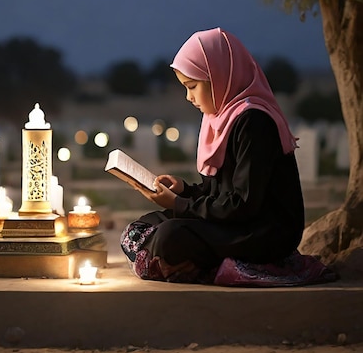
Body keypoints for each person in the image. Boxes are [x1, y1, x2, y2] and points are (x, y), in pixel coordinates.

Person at [120, 27, 335, 286]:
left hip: (261, 231)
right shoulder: (219, 119)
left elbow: (242, 204)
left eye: (192, 86)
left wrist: (179, 205)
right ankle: (187, 264)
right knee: (137, 229)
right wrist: (185, 190)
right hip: (231, 224)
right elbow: (219, 193)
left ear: (219, 77)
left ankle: (188, 264)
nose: (189, 97)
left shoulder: (254, 121)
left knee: (168, 237)